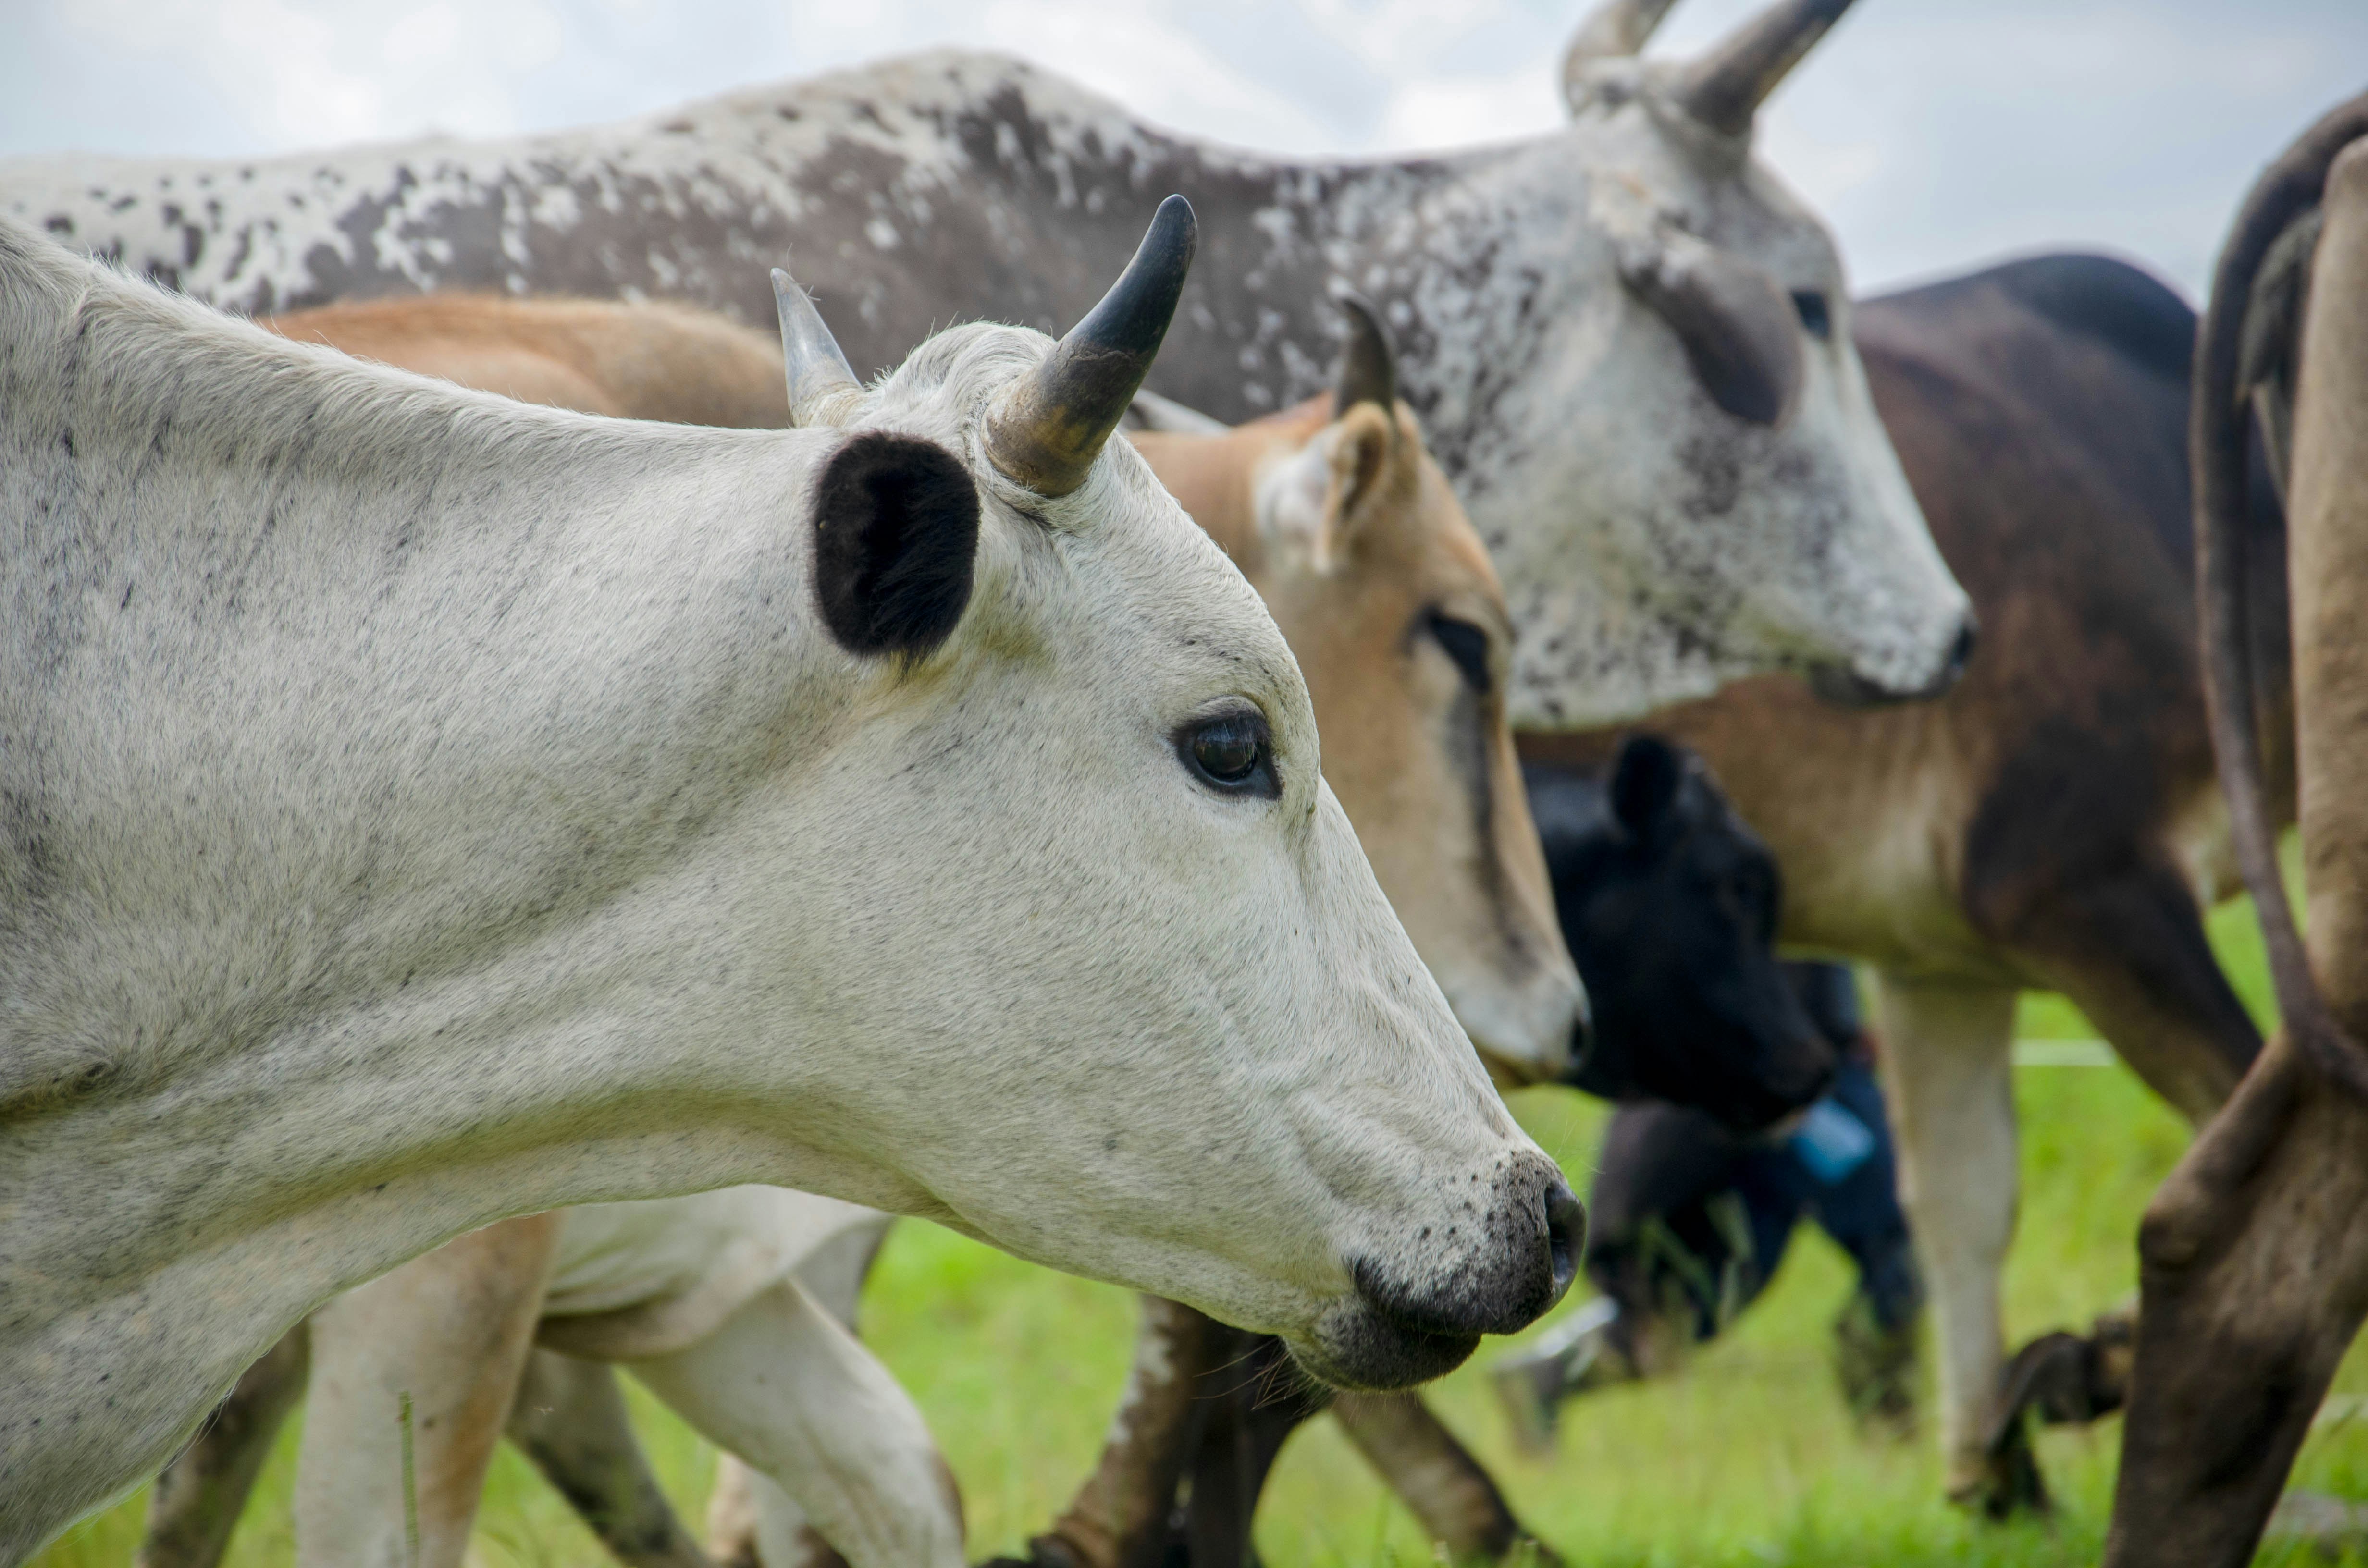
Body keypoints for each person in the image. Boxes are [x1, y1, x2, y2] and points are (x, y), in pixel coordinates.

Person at [1494, 961, 1923, 1447]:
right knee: (1907, 1237)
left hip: (1788, 1073)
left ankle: (1547, 1375)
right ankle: (1894, 1424)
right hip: (1783, 1081)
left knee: (1700, 1293)